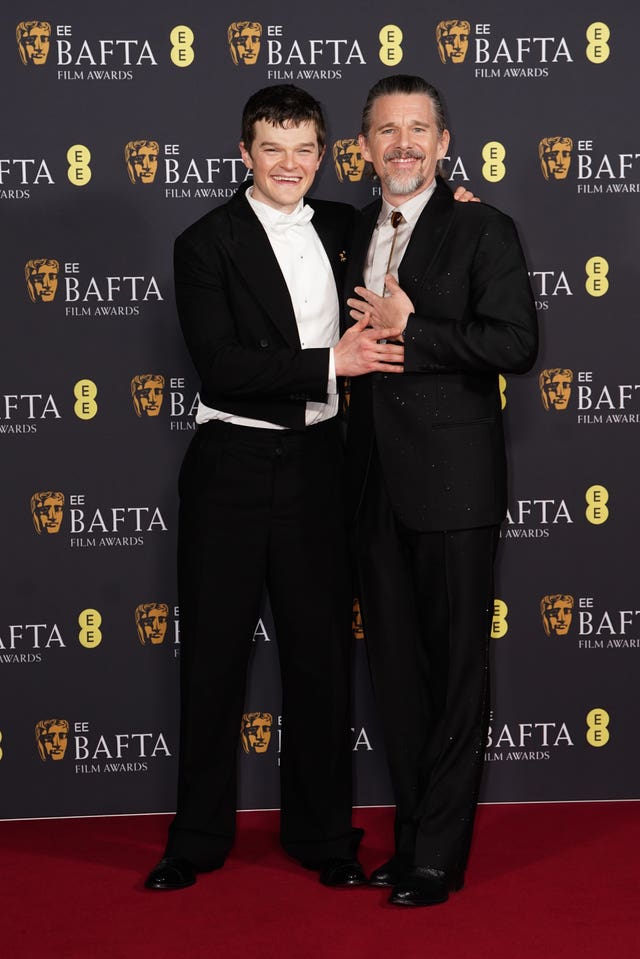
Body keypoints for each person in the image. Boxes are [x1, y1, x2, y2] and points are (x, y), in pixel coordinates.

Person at [144, 84, 407, 893]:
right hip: (231, 466)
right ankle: (193, 840)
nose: (289, 165)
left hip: (320, 468)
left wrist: (461, 201)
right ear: (245, 155)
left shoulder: (341, 225)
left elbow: (414, 222)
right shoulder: (204, 242)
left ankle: (326, 837)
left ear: (323, 154)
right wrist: (336, 364)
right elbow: (221, 365)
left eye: (303, 149)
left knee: (321, 659)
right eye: (272, 148)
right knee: (214, 659)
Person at [345, 75, 538, 907]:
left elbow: (516, 343)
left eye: (418, 129)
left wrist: (410, 330)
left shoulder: (484, 227)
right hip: (369, 486)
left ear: (445, 141)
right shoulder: (348, 228)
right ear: (363, 150)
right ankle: (416, 830)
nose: (404, 145)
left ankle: (439, 855)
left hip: (455, 485)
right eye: (387, 132)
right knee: (396, 670)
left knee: (458, 668)